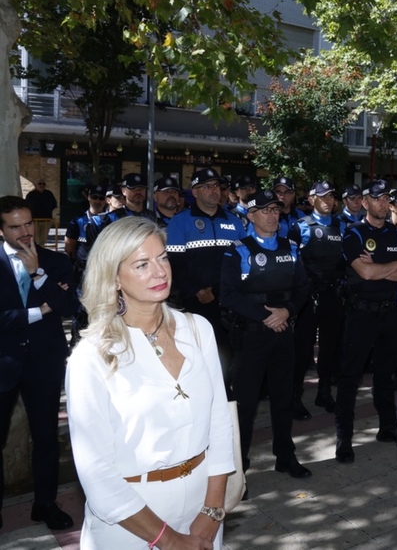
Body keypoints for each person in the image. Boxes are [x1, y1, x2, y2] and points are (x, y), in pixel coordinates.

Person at [65, 217, 233, 549]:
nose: (160, 272)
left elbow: (219, 422)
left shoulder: (198, 329)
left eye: (163, 257)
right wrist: (168, 540)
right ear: (113, 277)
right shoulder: (92, 356)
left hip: (204, 507)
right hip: (129, 522)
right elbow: (96, 472)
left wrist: (212, 512)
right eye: (142, 264)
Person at [220, 189, 312, 480]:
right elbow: (228, 294)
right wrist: (265, 316)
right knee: (245, 406)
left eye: (275, 210)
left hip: (284, 333)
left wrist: (287, 311)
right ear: (251, 215)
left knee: (284, 399)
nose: (273, 215)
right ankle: (239, 469)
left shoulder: (292, 247)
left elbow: (302, 288)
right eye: (265, 210)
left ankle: (285, 457)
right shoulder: (237, 250)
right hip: (250, 337)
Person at [0, 196, 76, 531]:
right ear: (1, 229)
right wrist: (42, 310)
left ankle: (45, 504)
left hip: (44, 362)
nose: (25, 232)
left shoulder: (55, 262)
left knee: (46, 437)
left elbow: (70, 307)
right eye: (15, 226)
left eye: (28, 223)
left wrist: (38, 273)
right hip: (4, 362)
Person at [335, 179, 397, 463]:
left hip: (391, 313)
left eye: (386, 198)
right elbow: (365, 275)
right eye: (377, 198)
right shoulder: (353, 234)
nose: (383, 203)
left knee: (387, 375)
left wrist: (378, 267)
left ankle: (388, 426)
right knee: (350, 376)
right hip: (361, 314)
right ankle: (344, 437)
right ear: (365, 202)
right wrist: (393, 267)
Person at [166, 168, 246, 394]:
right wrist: (195, 290)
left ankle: (226, 402)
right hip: (196, 302)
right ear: (195, 191)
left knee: (227, 356)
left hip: (229, 301)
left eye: (217, 186)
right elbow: (174, 264)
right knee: (198, 357)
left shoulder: (235, 222)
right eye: (207, 186)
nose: (214, 191)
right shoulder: (180, 222)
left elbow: (243, 261)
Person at [289, 180, 346, 419]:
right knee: (302, 350)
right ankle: (294, 397)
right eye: (323, 197)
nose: (328, 201)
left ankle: (324, 392)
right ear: (312, 199)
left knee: (330, 348)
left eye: (331, 196)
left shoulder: (341, 225)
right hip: (307, 298)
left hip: (334, 296)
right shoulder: (299, 226)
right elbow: (291, 264)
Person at [63, 185, 108, 347]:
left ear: (106, 200)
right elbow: (69, 249)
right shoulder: (77, 221)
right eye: (94, 197)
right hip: (82, 276)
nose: (97, 201)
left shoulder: (111, 221)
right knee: (81, 313)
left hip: (104, 276)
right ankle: (76, 346)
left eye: (101, 198)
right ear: (88, 197)